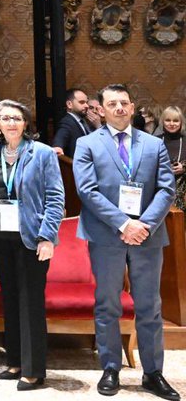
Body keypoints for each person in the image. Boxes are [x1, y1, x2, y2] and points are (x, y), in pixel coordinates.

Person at [74, 84, 179, 401]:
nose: (119, 108)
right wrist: (123, 223)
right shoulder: (86, 143)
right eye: (112, 103)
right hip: (107, 234)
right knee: (107, 303)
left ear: (133, 108)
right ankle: (110, 367)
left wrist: (143, 224)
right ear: (101, 109)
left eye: (124, 103)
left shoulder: (153, 145)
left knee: (150, 306)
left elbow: (166, 188)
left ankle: (153, 373)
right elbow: (87, 190)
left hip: (147, 235)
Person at [0, 100, 65, 389]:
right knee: (11, 301)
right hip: (1, 238)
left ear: (26, 123)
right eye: (5, 118)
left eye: (17, 118)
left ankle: (34, 370)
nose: (11, 123)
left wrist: (47, 236)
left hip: (32, 238)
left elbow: (55, 198)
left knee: (30, 303)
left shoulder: (41, 154)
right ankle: (15, 362)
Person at [53, 87, 96, 158]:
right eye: (82, 102)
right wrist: (58, 146)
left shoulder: (83, 121)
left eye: (86, 102)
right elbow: (61, 136)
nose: (86, 106)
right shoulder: (67, 122)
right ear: (69, 104)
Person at [158, 107, 186, 210]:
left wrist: (184, 168)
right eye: (168, 120)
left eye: (175, 120)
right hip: (159, 192)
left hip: (182, 196)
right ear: (163, 122)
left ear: (181, 122)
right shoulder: (155, 140)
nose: (172, 123)